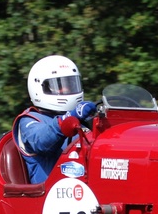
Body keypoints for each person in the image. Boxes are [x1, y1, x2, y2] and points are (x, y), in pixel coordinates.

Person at [12, 55, 96, 183]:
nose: (67, 89)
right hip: (51, 195)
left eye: (70, 84)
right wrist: (68, 119)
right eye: (59, 86)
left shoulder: (81, 117)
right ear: (39, 87)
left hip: (84, 186)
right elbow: (41, 141)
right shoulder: (29, 120)